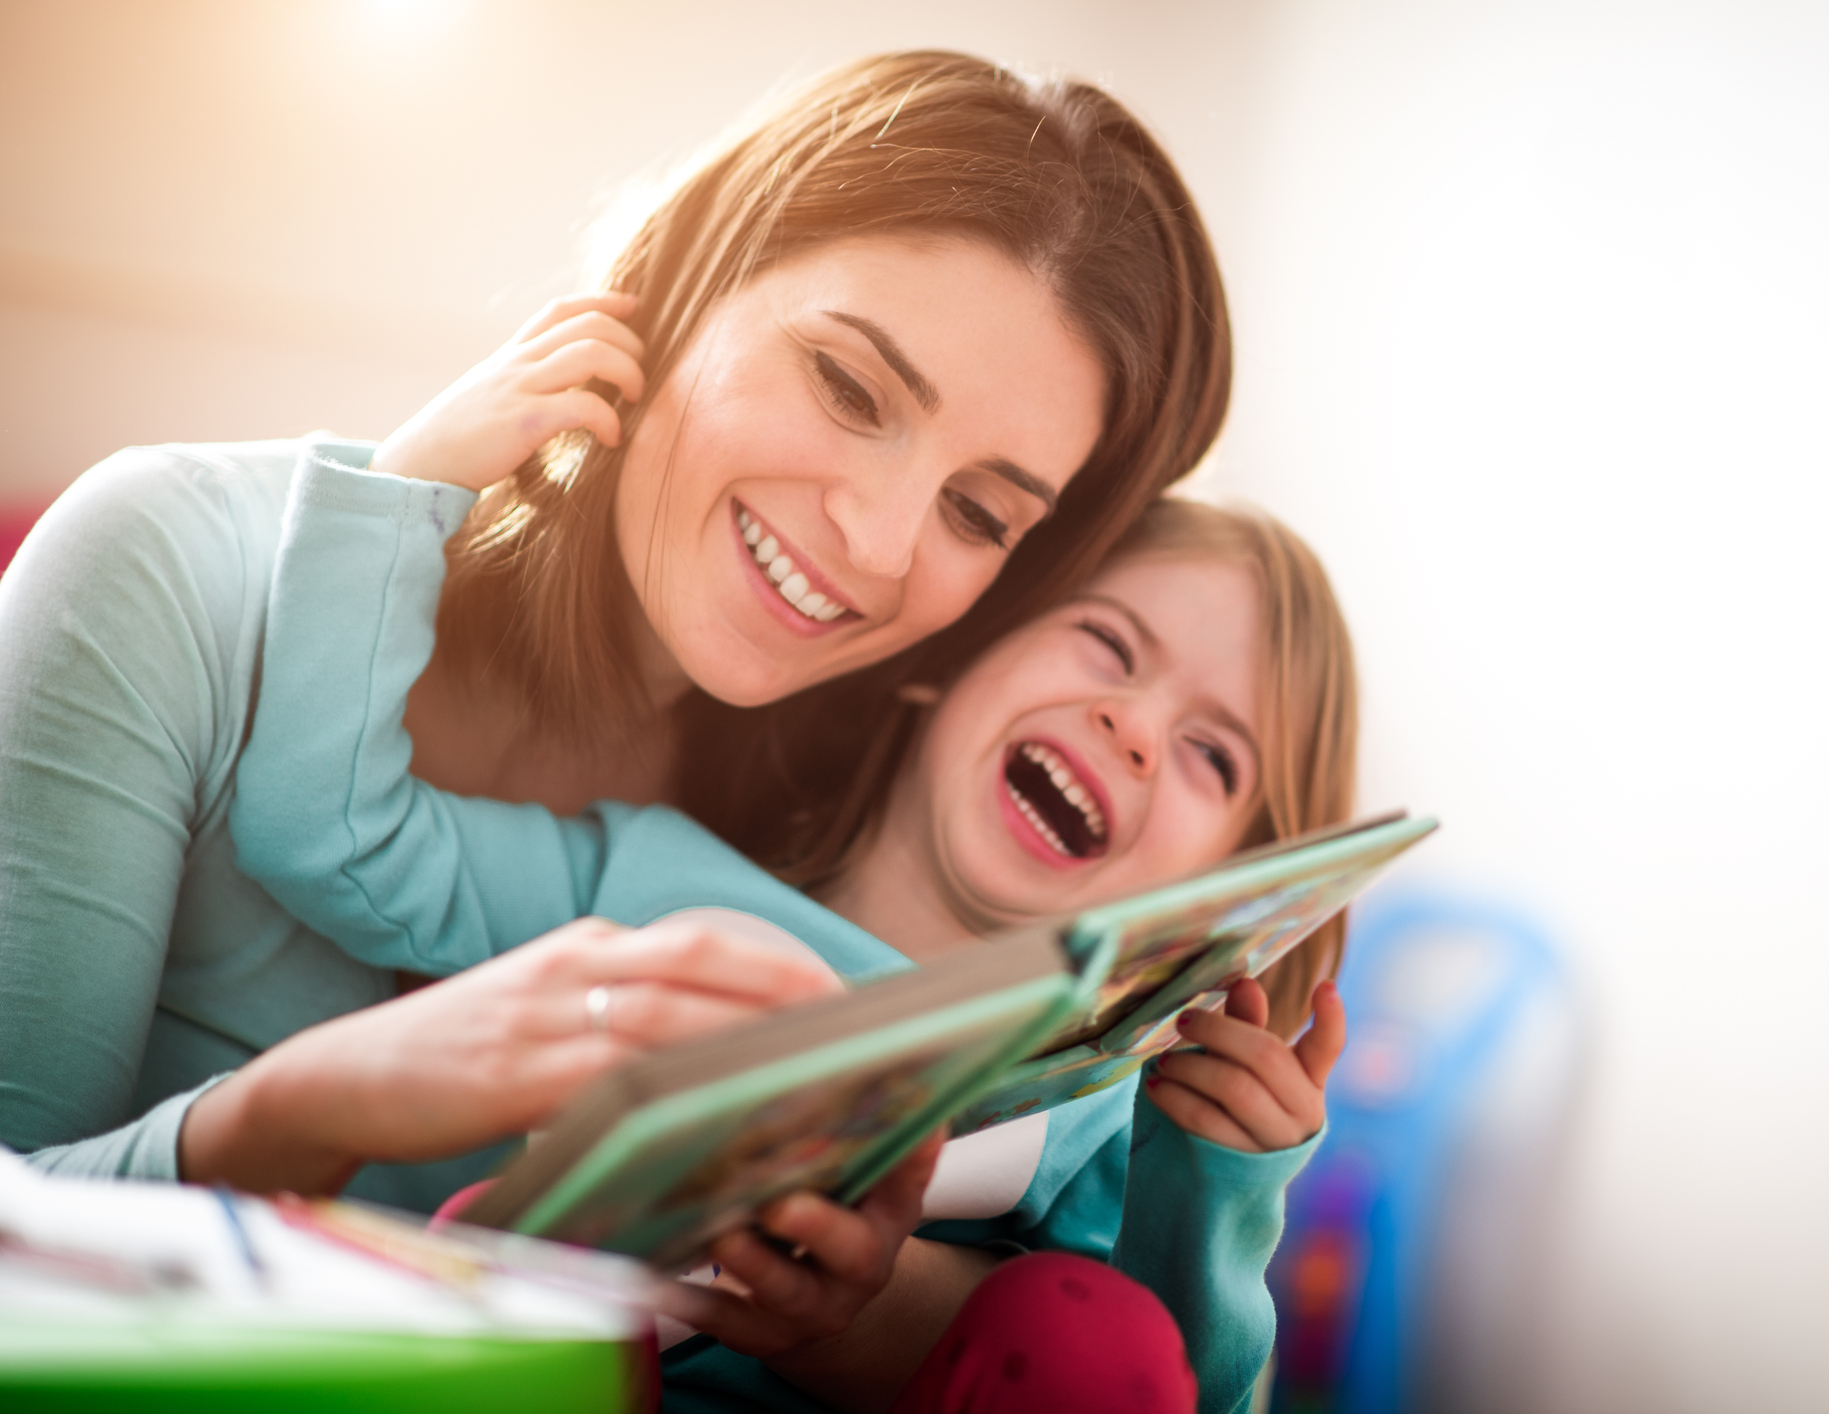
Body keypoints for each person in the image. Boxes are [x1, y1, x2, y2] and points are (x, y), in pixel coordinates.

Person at [0, 49, 1229, 1218]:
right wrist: (305, 1108)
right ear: (686, 280)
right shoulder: (165, 564)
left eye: (976, 511)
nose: (879, 543)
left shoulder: (837, 813)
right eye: (850, 389)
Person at [231, 454, 1360, 1414]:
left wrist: (1218, 1182)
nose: (1136, 728)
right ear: (948, 658)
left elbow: (1173, 1387)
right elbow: (325, 829)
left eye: (1214, 756)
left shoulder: (1106, 1109)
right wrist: (393, 492)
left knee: (1087, 1335)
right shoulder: (644, 873)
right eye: (1107, 645)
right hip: (524, 1346)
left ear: (1228, 880)